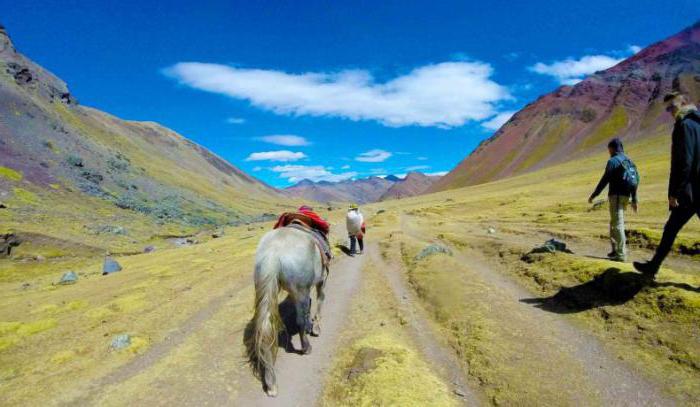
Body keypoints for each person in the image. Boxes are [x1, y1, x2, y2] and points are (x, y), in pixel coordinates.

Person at [634, 92, 700, 278]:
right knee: (670, 229)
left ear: (684, 103)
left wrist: (675, 193)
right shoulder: (698, 123)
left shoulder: (684, 125)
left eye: (673, 107)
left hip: (689, 192)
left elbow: (684, 162)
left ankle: (652, 267)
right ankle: (653, 266)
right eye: (668, 109)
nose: (670, 111)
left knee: (670, 229)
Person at [588, 138, 639, 262]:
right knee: (614, 223)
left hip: (616, 196)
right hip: (626, 196)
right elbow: (635, 179)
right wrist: (634, 199)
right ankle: (615, 250)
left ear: (612, 148)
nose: (608, 152)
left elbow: (605, 179)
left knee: (617, 224)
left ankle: (621, 254)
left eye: (609, 149)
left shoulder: (613, 161)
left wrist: (594, 195)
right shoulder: (629, 161)